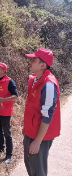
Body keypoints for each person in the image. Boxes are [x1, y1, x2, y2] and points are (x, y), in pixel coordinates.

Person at [23, 48, 61, 176]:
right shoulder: (36, 79)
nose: (31, 62)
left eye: (34, 60)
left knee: (38, 171)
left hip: (41, 136)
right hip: (31, 131)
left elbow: (47, 115)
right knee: (30, 165)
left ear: (42, 65)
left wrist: (37, 142)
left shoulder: (49, 85)